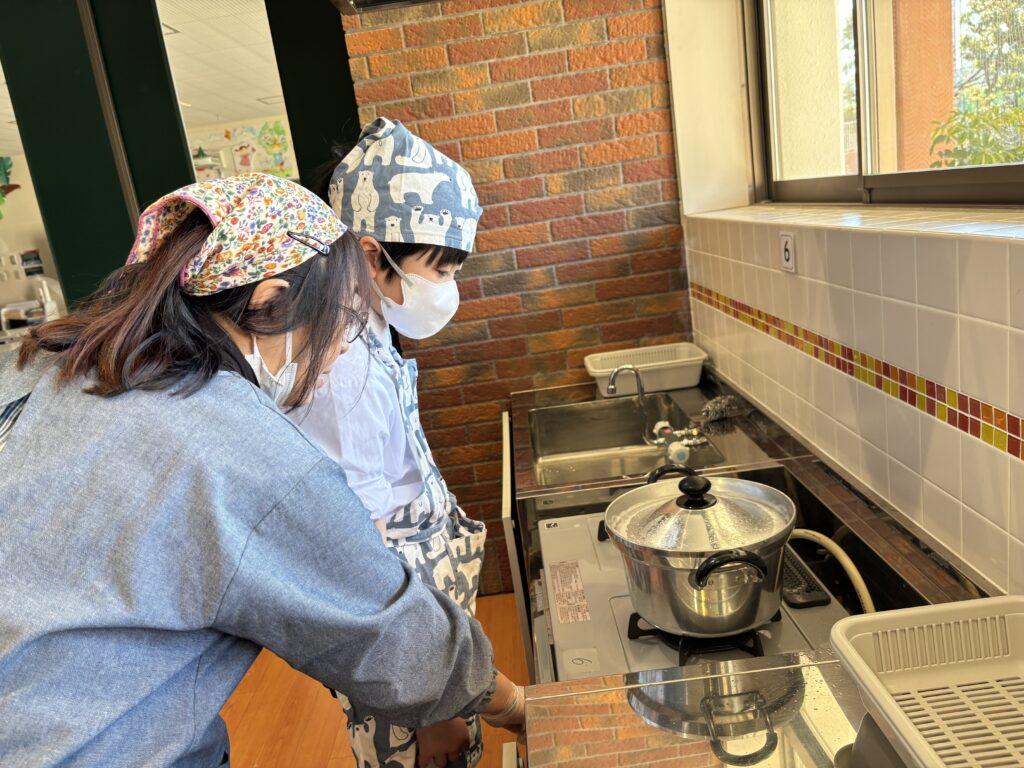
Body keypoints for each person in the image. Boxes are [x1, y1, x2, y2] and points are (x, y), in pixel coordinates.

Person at [0, 173, 523, 767]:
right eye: (340, 320)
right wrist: (516, 706)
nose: (342, 347)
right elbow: (388, 631)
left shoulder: (34, 365)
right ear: (268, 302)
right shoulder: (234, 447)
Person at [294, 118, 510, 768]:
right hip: (408, 657)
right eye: (439, 269)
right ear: (370, 256)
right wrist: (434, 706)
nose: (446, 288)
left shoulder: (367, 323)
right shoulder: (346, 369)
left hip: (424, 631)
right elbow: (368, 561)